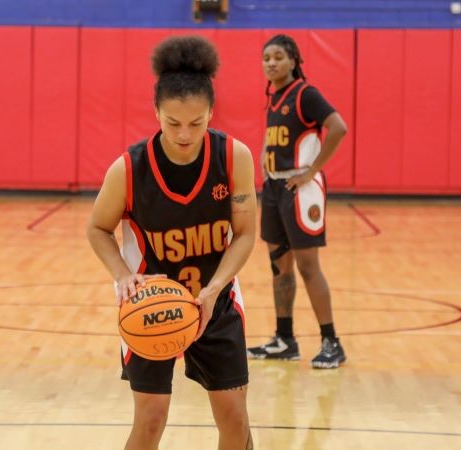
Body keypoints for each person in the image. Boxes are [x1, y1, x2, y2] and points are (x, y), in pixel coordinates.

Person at [87, 35, 257, 450]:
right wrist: (124, 276)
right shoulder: (128, 169)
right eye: (173, 123)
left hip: (215, 300)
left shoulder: (233, 157)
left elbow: (246, 233)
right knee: (150, 420)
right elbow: (97, 229)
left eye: (196, 124)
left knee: (235, 417)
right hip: (151, 305)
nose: (184, 134)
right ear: (156, 112)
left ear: (211, 113)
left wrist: (216, 289)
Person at [246, 34, 348, 369]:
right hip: (274, 189)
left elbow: (338, 127)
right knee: (279, 268)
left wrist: (312, 170)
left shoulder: (306, 94)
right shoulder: (274, 98)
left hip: (300, 190)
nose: (271, 63)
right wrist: (264, 156)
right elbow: (276, 137)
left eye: (278, 57)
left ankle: (331, 341)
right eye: (266, 58)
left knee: (307, 267)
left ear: (293, 61)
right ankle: (284, 339)